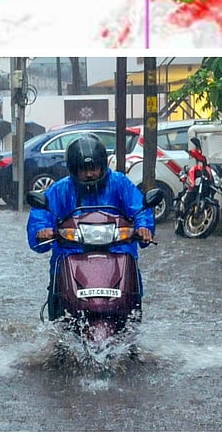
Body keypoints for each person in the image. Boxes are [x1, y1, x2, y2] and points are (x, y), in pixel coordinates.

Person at [26, 134, 153, 320]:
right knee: (57, 299)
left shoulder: (119, 183)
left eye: (93, 168)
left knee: (132, 300)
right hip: (71, 252)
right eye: (83, 169)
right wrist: (41, 230)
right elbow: (41, 214)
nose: (89, 174)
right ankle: (58, 318)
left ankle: (131, 317)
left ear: (103, 165)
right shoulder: (60, 189)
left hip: (117, 250)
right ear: (73, 169)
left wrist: (143, 227)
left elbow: (139, 208)